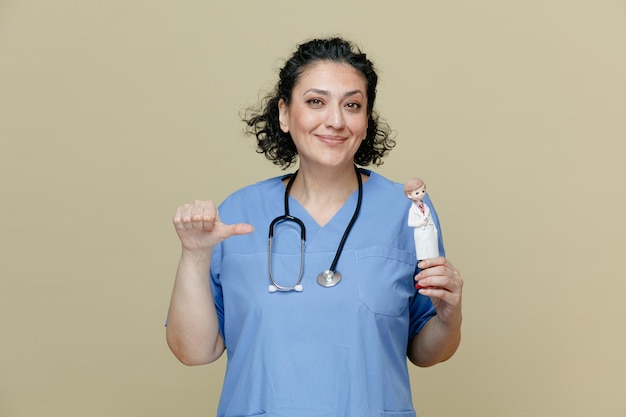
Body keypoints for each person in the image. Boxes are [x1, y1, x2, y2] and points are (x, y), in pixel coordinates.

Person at [166, 37, 463, 417]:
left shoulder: (405, 212)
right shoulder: (238, 212)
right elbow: (193, 351)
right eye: (315, 101)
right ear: (285, 114)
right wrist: (193, 255)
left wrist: (450, 317)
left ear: (366, 120)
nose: (336, 120)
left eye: (352, 105)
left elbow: (425, 352)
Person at [405, 177, 440, 261]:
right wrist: (420, 223)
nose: (421, 194)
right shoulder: (412, 209)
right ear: (409, 195)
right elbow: (410, 223)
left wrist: (434, 230)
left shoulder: (426, 206)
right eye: (417, 193)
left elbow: (431, 219)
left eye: (423, 191)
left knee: (433, 255)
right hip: (421, 232)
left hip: (430, 231)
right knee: (424, 256)